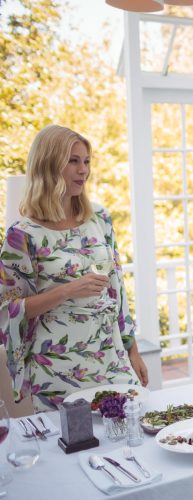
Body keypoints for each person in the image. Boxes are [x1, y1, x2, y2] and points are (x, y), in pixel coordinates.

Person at [0, 125, 148, 412]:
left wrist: (133, 349)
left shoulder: (100, 219)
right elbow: (9, 309)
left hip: (111, 355)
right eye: (73, 161)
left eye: (87, 161)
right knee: (74, 450)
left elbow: (118, 289)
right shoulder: (22, 235)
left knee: (130, 436)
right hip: (57, 366)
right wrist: (67, 291)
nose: (84, 170)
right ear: (49, 165)